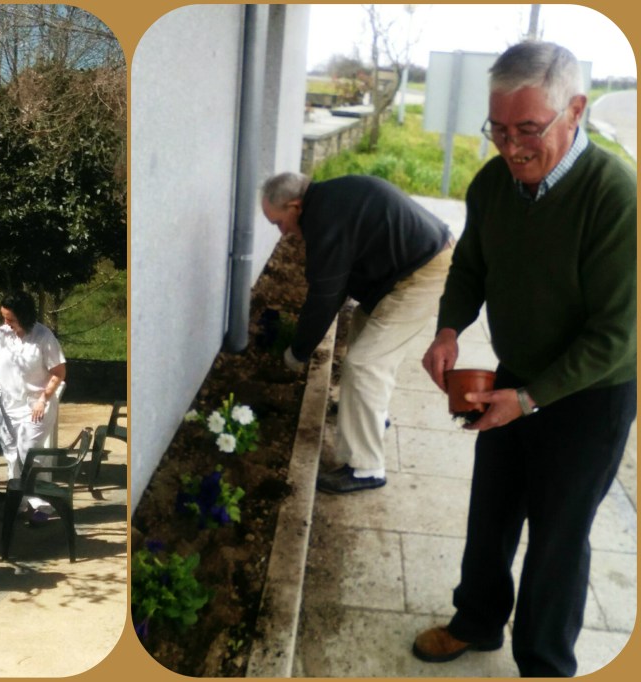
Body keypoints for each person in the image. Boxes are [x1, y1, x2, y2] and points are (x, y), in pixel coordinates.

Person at [414, 41, 636, 677]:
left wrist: (531, 399)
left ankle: (543, 664)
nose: (511, 148)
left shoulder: (615, 196)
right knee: (491, 512)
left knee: (558, 537)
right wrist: (448, 330)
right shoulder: (493, 184)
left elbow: (617, 334)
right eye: (499, 129)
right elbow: (470, 265)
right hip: (515, 375)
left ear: (575, 111)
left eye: (529, 129)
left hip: (592, 395)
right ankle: (477, 621)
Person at [260, 171, 453, 493]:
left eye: (279, 223)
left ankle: (366, 468)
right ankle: (368, 413)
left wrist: (298, 351)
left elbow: (325, 295)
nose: (283, 233)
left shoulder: (324, 217)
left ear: (295, 206)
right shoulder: (329, 200)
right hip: (413, 264)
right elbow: (336, 285)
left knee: (365, 363)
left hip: (425, 270)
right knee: (364, 336)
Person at [0, 291, 66, 522]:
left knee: (30, 454)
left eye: (11, 318)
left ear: (24, 316)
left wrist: (44, 398)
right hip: (9, 405)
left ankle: (41, 506)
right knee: (12, 454)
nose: (6, 322)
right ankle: (17, 503)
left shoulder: (43, 337)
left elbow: (59, 373)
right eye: (4, 317)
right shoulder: (1, 334)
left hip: (36, 405)